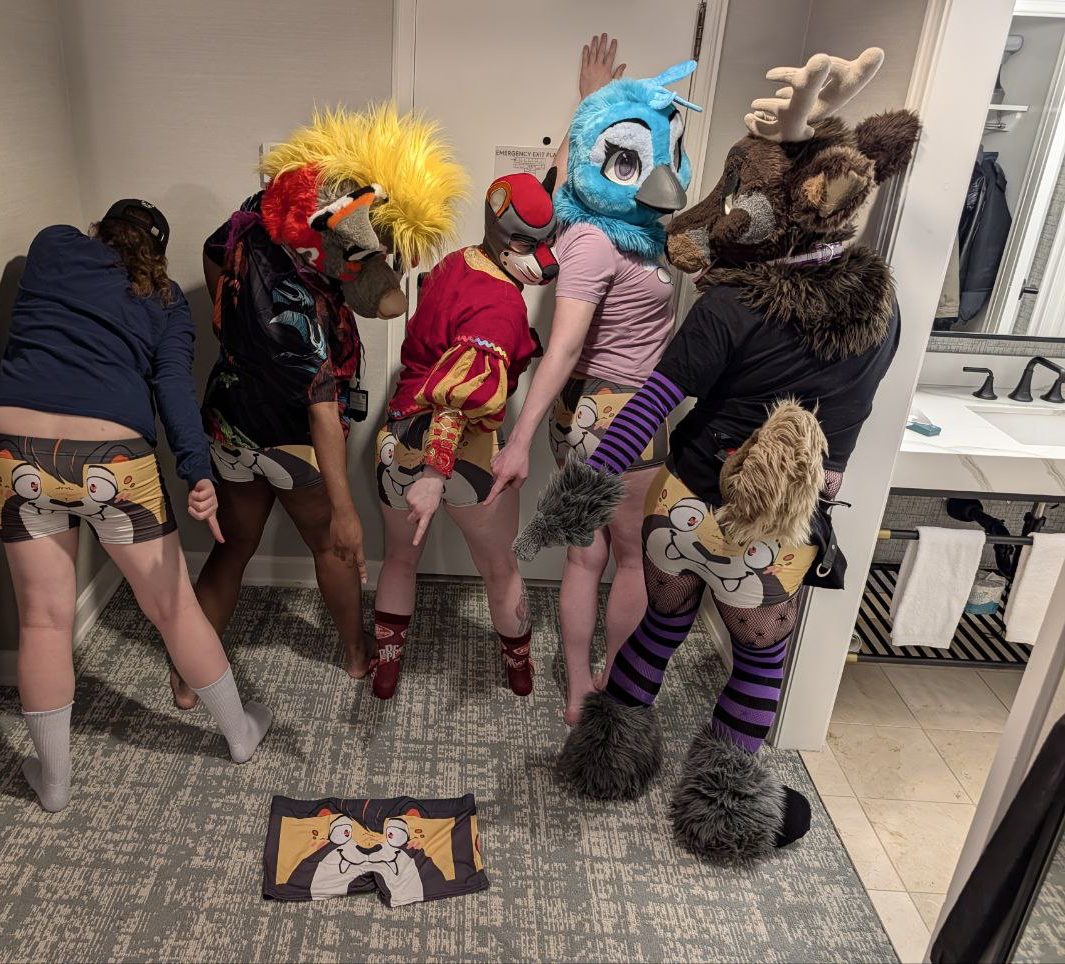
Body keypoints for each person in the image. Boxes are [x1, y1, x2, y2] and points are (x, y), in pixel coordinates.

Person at [515, 49, 921, 864]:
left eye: (736, 200)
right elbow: (838, 450)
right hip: (768, 534)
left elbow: (648, 409)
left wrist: (573, 501)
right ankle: (726, 813)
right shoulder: (883, 316)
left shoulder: (728, 308)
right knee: (758, 662)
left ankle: (607, 762)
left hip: (682, 514)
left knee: (658, 632)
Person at [168, 106, 465, 708]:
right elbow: (322, 413)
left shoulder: (252, 222)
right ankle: (356, 654)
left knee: (233, 547)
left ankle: (186, 678)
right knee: (330, 546)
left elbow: (212, 250)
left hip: (229, 425)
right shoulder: (299, 318)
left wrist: (234, 325)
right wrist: (346, 513)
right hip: (292, 443)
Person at [0, 199, 272, 812]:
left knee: (42, 621)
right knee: (173, 607)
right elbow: (173, 388)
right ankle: (239, 734)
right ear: (157, 257)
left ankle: (54, 783)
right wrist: (198, 473)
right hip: (111, 461)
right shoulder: (166, 302)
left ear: (100, 229)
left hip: (15, 450)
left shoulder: (53, 244)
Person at [487, 36, 699, 724]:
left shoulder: (621, 231)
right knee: (625, 560)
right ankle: (597, 684)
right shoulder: (593, 242)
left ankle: (585, 684)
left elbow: (566, 179)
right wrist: (519, 441)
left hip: (593, 417)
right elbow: (564, 345)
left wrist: (589, 100)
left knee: (590, 556)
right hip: (619, 415)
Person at [372, 172, 558, 699]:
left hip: (397, 438)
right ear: (503, 236)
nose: (543, 258)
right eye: (527, 243)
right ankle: (519, 671)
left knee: (399, 559)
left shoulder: (456, 262)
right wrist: (436, 473)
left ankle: (386, 672)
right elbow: (460, 392)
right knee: (499, 568)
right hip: (457, 454)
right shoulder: (503, 303)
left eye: (545, 242)